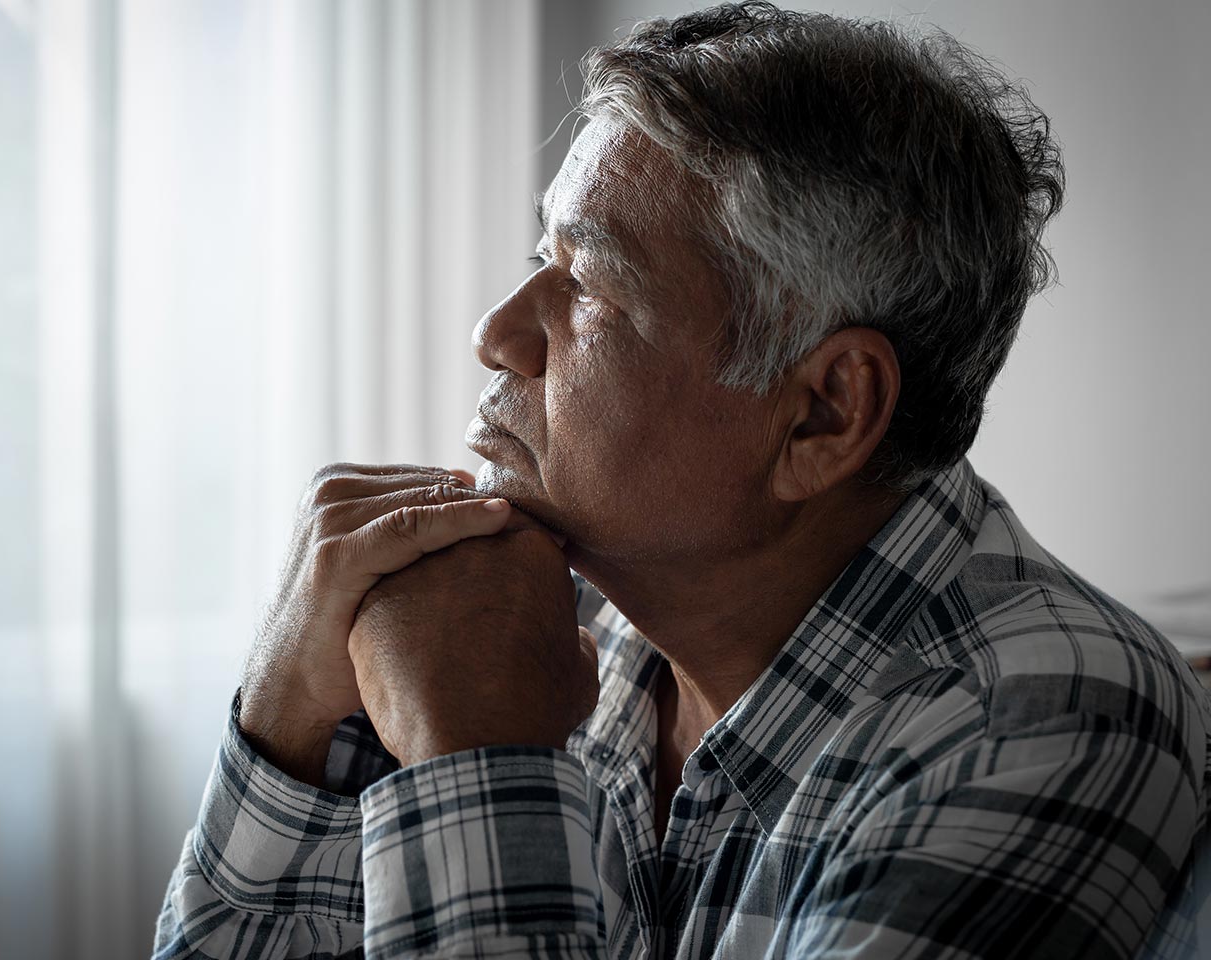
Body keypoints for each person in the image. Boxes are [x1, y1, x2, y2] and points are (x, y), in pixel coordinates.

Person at [153, 3, 1211, 957]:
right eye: (539, 255)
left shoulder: (1041, 720)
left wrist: (475, 758)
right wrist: (284, 718)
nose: (498, 335)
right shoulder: (531, 606)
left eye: (594, 288)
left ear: (824, 412)